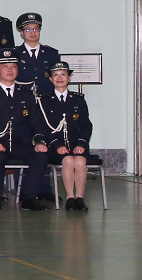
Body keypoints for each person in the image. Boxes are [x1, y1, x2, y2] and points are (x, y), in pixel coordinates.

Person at [0, 48, 47, 211]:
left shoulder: (26, 94)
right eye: (5, 66)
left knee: (40, 156)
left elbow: (36, 121)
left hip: (20, 144)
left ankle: (29, 197)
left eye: (13, 66)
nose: (10, 70)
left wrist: (39, 141)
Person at [33, 62, 93, 210]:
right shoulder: (43, 101)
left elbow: (86, 125)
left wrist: (81, 143)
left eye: (63, 74)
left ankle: (80, 198)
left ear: (69, 78)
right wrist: (57, 145)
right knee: (68, 161)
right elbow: (42, 127)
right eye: (56, 75)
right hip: (55, 147)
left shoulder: (78, 99)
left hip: (76, 145)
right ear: (50, 79)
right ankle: (70, 198)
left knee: (80, 162)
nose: (59, 78)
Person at [14, 13, 60, 86]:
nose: (33, 32)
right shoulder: (15, 54)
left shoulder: (51, 54)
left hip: (46, 93)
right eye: (28, 29)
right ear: (22, 32)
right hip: (22, 93)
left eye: (36, 29)